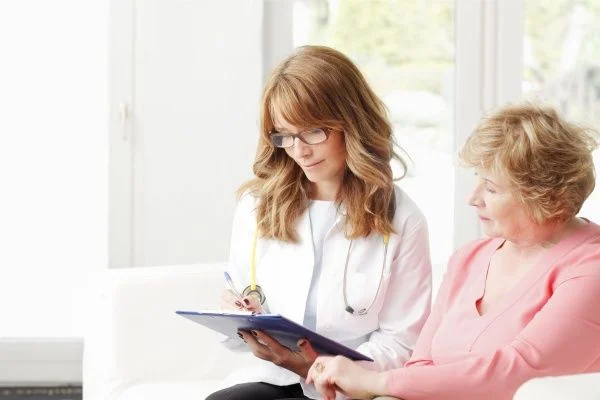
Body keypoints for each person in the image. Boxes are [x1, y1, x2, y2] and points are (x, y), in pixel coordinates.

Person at [306, 103, 600, 400]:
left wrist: (376, 383)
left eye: (492, 188)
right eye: (477, 180)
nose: (473, 199)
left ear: (545, 198)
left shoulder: (590, 267)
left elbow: (519, 373)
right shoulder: (470, 259)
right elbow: (420, 365)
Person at [206, 45, 432, 400]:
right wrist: (236, 312)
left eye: (313, 132)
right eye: (284, 135)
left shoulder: (402, 220)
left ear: (351, 122)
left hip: (351, 389)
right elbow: (241, 297)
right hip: (274, 379)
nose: (299, 150)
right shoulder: (257, 206)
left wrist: (318, 368)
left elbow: (402, 343)